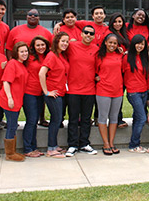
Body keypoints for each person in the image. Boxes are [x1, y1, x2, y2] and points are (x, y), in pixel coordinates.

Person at [65, 25, 99, 157]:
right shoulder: (72, 46)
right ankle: (72, 145)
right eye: (86, 32)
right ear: (81, 34)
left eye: (91, 33)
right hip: (73, 89)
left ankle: (84, 143)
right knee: (73, 118)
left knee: (86, 119)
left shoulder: (96, 49)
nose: (88, 35)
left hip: (89, 90)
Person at [39, 32, 71, 157]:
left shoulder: (61, 56)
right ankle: (51, 149)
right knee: (56, 119)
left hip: (61, 92)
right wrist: (46, 91)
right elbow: (42, 73)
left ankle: (55, 145)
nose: (65, 44)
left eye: (67, 42)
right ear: (56, 41)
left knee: (57, 119)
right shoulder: (51, 56)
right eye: (63, 41)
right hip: (53, 93)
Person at [0, 41, 29, 162]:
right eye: (21, 51)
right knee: (11, 125)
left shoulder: (21, 64)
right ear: (16, 53)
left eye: (26, 51)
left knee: (13, 124)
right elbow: (6, 81)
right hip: (10, 99)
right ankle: (9, 153)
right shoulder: (12, 64)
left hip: (17, 99)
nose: (24, 53)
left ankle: (13, 151)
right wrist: (10, 98)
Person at [95, 34, 124, 155]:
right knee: (103, 117)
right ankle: (105, 143)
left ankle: (111, 143)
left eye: (115, 43)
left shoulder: (120, 55)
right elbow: (93, 70)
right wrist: (96, 77)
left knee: (114, 118)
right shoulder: (99, 56)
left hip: (118, 90)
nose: (112, 45)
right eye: (110, 42)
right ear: (105, 42)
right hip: (103, 90)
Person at [22, 36, 50, 157]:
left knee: (35, 121)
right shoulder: (29, 57)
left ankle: (34, 147)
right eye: (38, 45)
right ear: (33, 47)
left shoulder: (47, 56)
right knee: (31, 120)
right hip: (29, 92)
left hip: (41, 93)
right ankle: (28, 148)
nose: (40, 47)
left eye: (43, 45)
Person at [124, 34, 149, 153]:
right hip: (133, 92)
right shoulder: (126, 58)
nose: (140, 46)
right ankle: (134, 144)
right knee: (142, 118)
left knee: (137, 117)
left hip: (144, 91)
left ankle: (134, 144)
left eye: (143, 44)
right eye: (138, 43)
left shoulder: (144, 58)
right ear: (133, 44)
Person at [107, 13, 129, 128]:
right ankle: (117, 119)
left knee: (120, 94)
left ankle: (117, 118)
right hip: (115, 69)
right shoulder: (109, 34)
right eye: (115, 22)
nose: (117, 24)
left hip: (125, 68)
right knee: (116, 95)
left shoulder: (124, 33)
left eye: (119, 21)